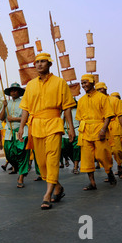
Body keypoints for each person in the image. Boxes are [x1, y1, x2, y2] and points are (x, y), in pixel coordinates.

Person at [18, 53, 76, 210]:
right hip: (36, 125)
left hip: (54, 124)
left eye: (43, 61)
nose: (39, 64)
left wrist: (70, 127)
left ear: (49, 64)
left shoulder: (60, 83)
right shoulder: (30, 85)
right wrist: (21, 127)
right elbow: (25, 109)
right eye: (37, 62)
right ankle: (58, 187)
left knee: (52, 160)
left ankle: (47, 195)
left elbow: (67, 108)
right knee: (42, 163)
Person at [76, 75, 117, 191]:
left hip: (99, 129)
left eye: (85, 83)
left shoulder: (102, 98)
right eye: (82, 83)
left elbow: (108, 115)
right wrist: (80, 132)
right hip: (85, 131)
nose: (83, 85)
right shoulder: (81, 100)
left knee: (102, 154)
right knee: (87, 158)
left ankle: (109, 172)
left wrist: (103, 129)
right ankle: (92, 183)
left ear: (92, 83)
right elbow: (79, 119)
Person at [0, 82, 30, 188]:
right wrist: (3, 107)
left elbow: (28, 118)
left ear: (19, 92)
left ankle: (21, 177)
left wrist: (15, 119)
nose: (13, 92)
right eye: (11, 90)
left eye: (15, 90)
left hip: (22, 131)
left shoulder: (24, 102)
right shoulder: (7, 103)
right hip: (9, 133)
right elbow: (1, 118)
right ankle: (20, 168)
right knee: (9, 153)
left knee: (22, 154)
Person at [95, 83, 122, 180]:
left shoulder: (114, 100)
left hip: (114, 127)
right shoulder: (96, 101)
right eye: (98, 90)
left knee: (117, 150)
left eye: (102, 89)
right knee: (104, 152)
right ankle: (109, 173)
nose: (100, 91)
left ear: (105, 89)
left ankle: (119, 166)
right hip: (101, 128)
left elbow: (120, 115)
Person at [60, 100, 81, 174]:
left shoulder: (78, 110)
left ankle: (75, 166)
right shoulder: (64, 111)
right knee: (63, 148)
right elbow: (61, 122)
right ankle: (72, 161)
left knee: (76, 148)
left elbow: (80, 121)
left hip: (77, 131)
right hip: (65, 133)